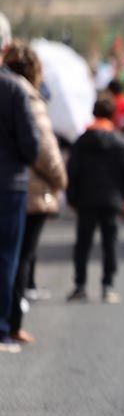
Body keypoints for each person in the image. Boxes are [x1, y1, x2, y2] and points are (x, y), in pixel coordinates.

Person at [4, 42, 66, 343]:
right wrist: (61, 179)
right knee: (15, 260)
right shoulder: (25, 94)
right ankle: (10, 325)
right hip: (25, 188)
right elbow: (41, 150)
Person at [67, 97, 124, 304]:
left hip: (85, 199)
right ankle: (108, 286)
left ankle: (80, 285)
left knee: (83, 244)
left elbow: (72, 171)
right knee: (110, 243)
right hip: (112, 200)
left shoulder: (82, 141)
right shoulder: (120, 141)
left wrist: (72, 197)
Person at [0, 33, 40, 353]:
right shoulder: (14, 88)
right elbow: (32, 145)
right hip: (10, 184)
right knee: (7, 258)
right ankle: (1, 329)